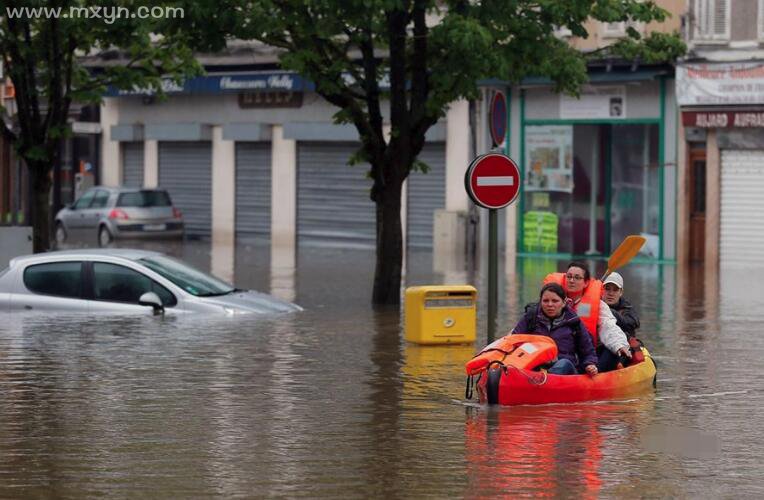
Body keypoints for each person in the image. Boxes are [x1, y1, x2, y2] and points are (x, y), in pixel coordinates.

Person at [544, 262, 631, 373]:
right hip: (557, 353)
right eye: (569, 277)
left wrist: (619, 345)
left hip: (585, 356)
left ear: (585, 283)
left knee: (611, 351)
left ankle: (593, 374)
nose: (571, 280)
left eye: (577, 278)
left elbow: (608, 326)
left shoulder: (598, 305)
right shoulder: (550, 302)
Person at [512, 282, 598, 376]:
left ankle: (545, 381)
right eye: (545, 301)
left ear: (564, 303)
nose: (550, 304)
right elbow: (513, 341)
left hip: (565, 371)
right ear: (540, 302)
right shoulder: (530, 318)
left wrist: (590, 364)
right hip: (535, 367)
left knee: (564, 363)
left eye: (555, 301)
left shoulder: (574, 322)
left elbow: (588, 350)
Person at [601, 272, 640, 338]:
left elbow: (634, 323)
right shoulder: (593, 305)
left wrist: (609, 311)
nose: (611, 293)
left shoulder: (627, 308)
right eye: (607, 289)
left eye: (615, 290)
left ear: (621, 292)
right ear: (601, 290)